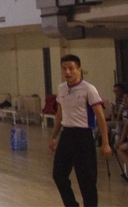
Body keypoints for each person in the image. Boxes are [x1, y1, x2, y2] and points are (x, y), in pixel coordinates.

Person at [47, 54, 111, 207]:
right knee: (59, 175)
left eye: (71, 68)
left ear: (79, 69)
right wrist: (54, 136)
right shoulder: (61, 88)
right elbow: (59, 114)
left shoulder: (89, 89)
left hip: (83, 137)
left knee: (86, 181)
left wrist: (106, 143)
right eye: (64, 69)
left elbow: (100, 117)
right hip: (67, 135)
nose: (67, 72)